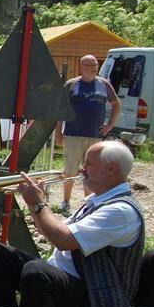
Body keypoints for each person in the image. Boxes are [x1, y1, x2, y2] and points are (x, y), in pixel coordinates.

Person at [0, 140, 143, 307]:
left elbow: (63, 239)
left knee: (38, 272)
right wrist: (36, 205)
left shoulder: (121, 212)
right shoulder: (97, 201)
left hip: (95, 297)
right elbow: (58, 229)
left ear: (111, 168)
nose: (81, 169)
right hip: (72, 282)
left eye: (88, 163)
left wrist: (38, 204)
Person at [54, 55, 120, 214]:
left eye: (96, 65)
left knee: (91, 170)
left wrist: (110, 124)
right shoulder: (72, 85)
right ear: (81, 67)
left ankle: (87, 203)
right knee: (70, 170)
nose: (94, 68)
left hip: (95, 135)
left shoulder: (104, 85)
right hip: (72, 134)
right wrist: (58, 132)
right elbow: (59, 109)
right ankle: (66, 202)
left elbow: (116, 104)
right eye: (90, 65)